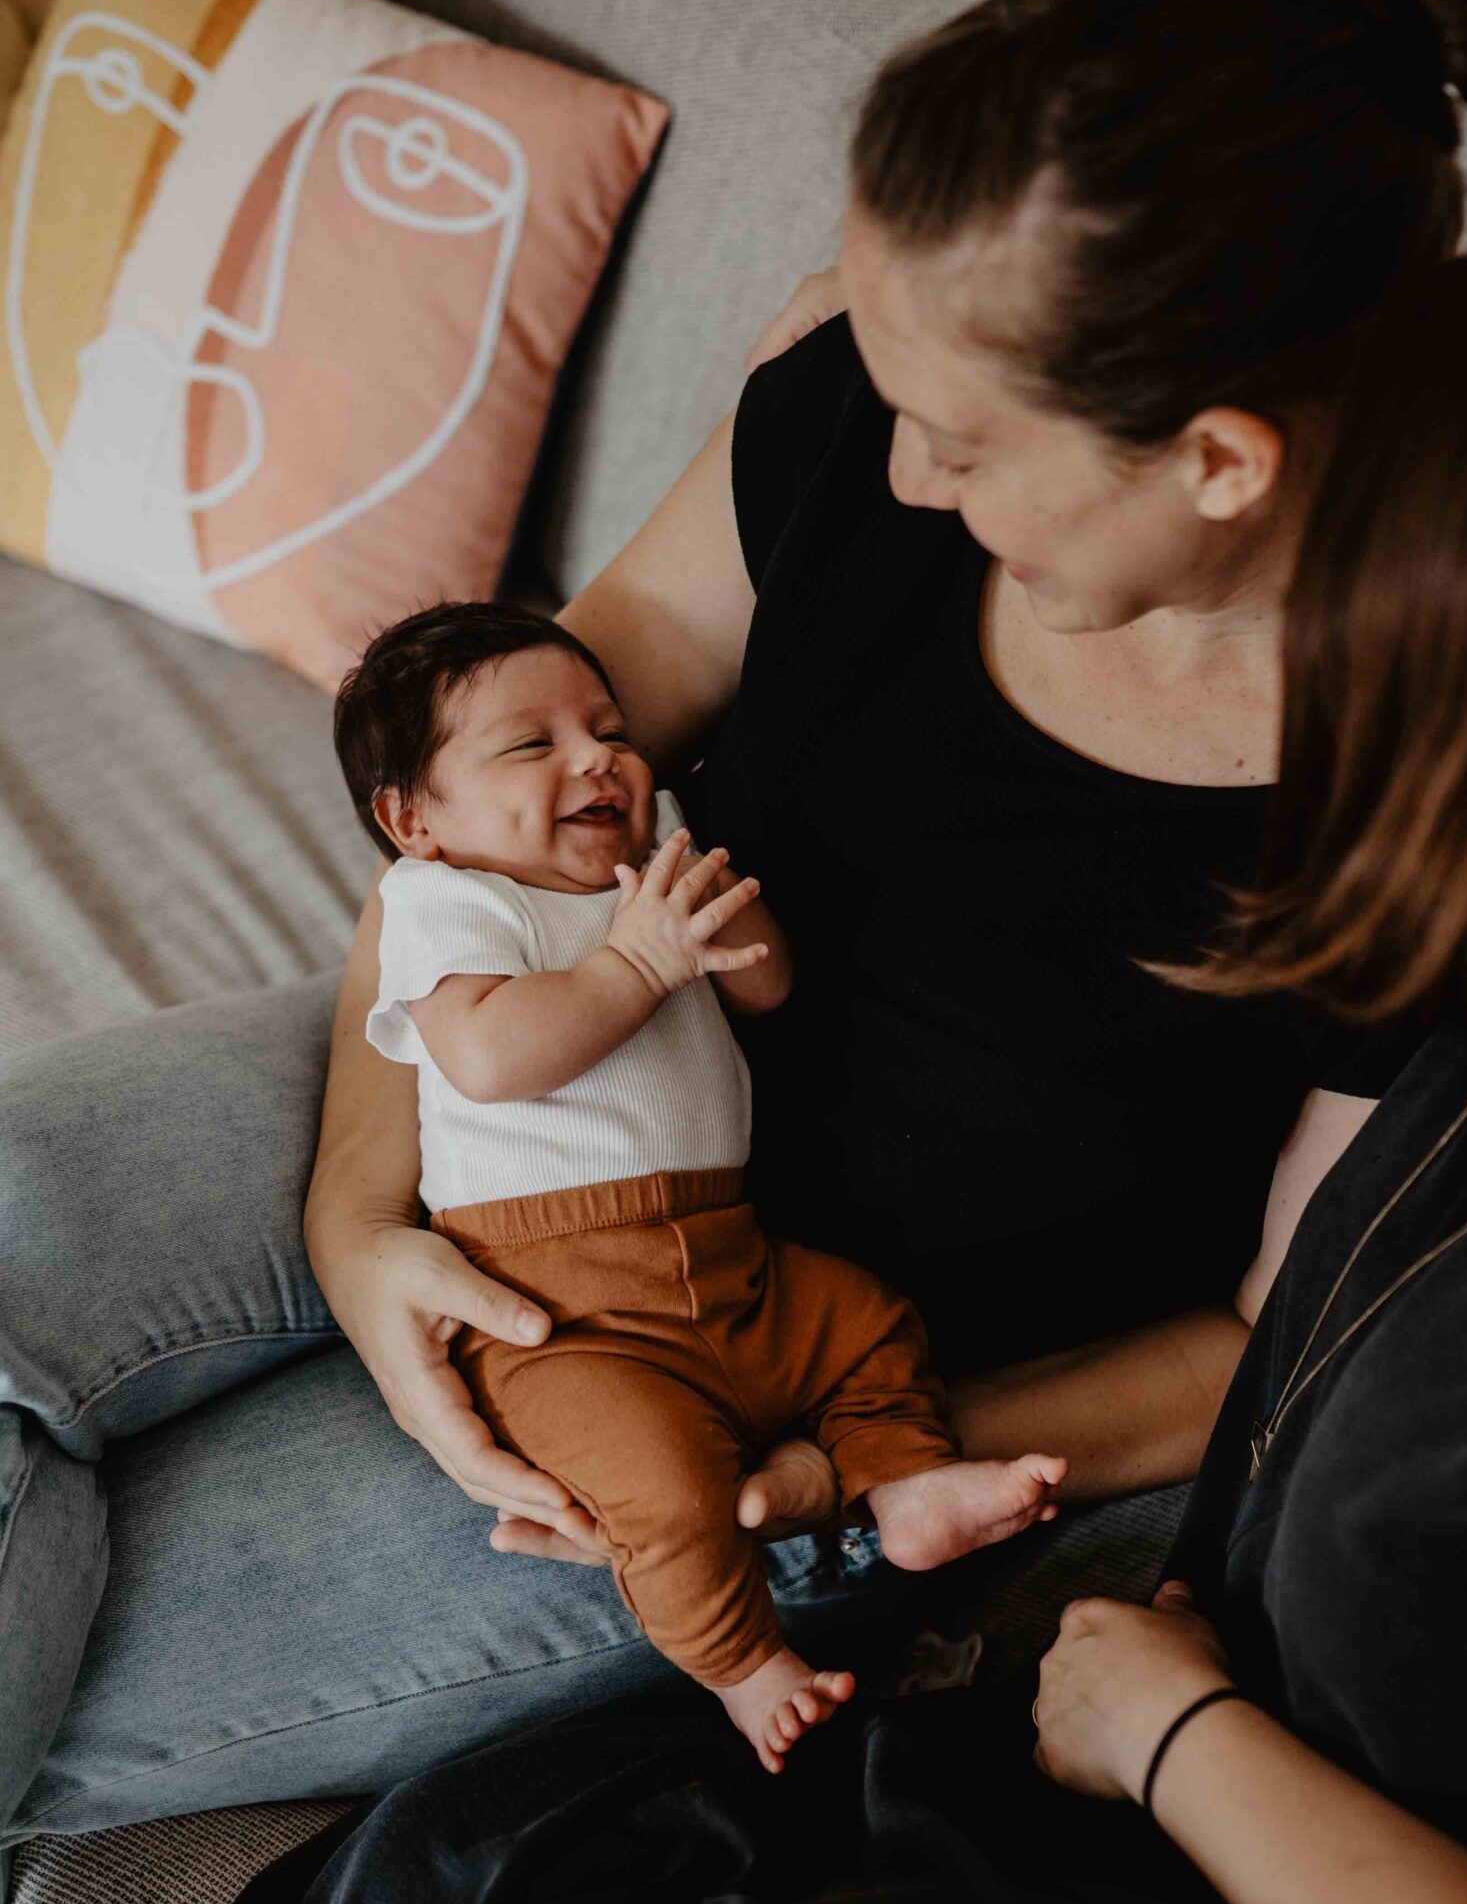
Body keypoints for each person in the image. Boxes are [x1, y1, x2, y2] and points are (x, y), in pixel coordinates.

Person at [149, 185, 1467, 1904]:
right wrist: (356, 1203)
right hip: (1091, 1654)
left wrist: (1138, 1703)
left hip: (1194, 1794)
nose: (1337, 648)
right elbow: (464, 820)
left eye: (1403, 573)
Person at [0, 0, 1467, 1904]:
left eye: (962, 442)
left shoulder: (1443, 804)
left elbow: (1272, 1339)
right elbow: (513, 750)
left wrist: (833, 1464)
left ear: (1218, 459)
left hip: (751, 1376)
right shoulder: (865, 401)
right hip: (504, 1036)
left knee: (65, 1692)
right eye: (881, 383)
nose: (890, 466)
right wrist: (365, 1199)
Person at [336, 600, 1062, 1762]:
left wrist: (719, 918)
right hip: (565, 1307)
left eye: (610, 728)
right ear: (413, 816)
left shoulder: (655, 863)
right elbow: (488, 1057)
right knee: (662, 1495)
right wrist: (636, 960)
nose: (598, 758)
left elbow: (765, 989)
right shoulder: (447, 904)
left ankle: (909, 1487)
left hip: (735, 1258)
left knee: (869, 1328)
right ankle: (741, 1660)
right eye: (534, 746)